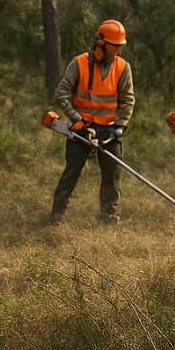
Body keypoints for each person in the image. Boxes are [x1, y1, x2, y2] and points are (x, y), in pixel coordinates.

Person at [50, 19, 135, 224]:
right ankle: (56, 216)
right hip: (81, 128)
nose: (119, 52)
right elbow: (61, 94)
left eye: (120, 47)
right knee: (71, 172)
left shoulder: (123, 67)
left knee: (112, 177)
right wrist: (77, 120)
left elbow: (128, 100)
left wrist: (120, 127)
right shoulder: (79, 63)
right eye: (115, 47)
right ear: (101, 44)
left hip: (110, 131)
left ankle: (109, 218)